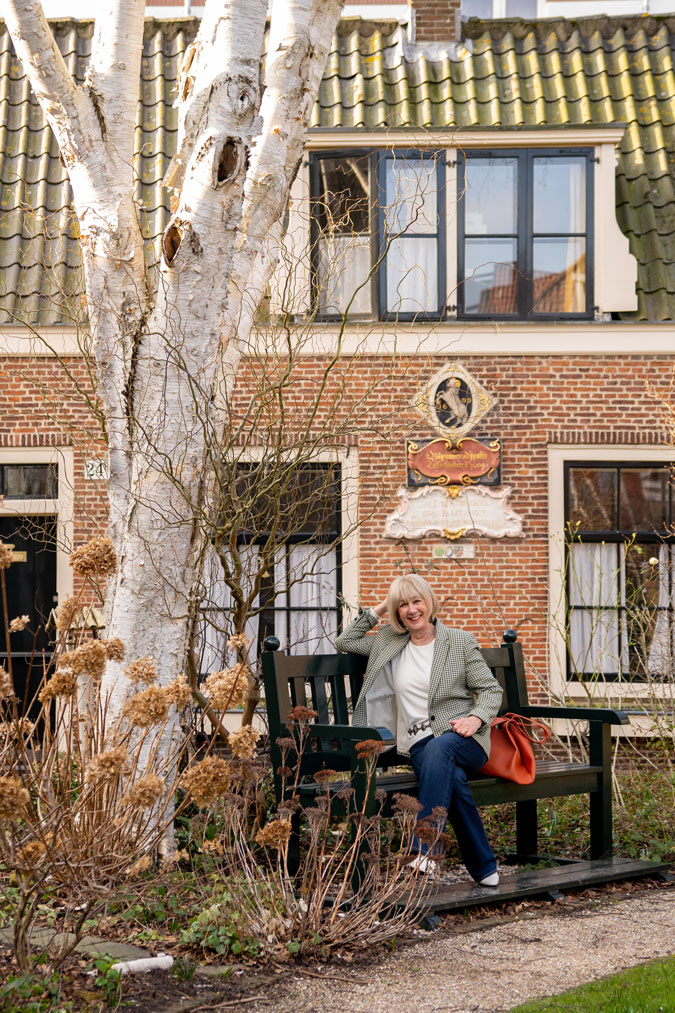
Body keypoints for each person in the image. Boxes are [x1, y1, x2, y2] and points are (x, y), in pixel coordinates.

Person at [335, 573, 503, 885]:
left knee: (443, 750)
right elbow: (344, 641)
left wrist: (476, 719)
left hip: (462, 738)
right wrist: (383, 605)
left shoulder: (459, 642)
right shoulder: (388, 641)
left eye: (417, 601)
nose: (412, 610)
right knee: (450, 777)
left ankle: (423, 850)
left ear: (429, 603)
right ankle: (484, 869)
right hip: (419, 745)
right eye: (403, 605)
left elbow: (491, 690)